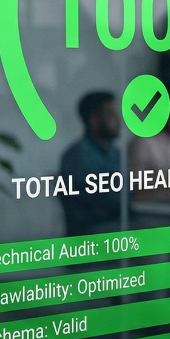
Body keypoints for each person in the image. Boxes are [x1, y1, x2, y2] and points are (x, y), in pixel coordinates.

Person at [58, 90, 123, 236]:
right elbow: (104, 201)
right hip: (91, 233)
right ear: (94, 120)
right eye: (111, 115)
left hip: (118, 223)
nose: (119, 120)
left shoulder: (116, 153)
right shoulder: (78, 155)